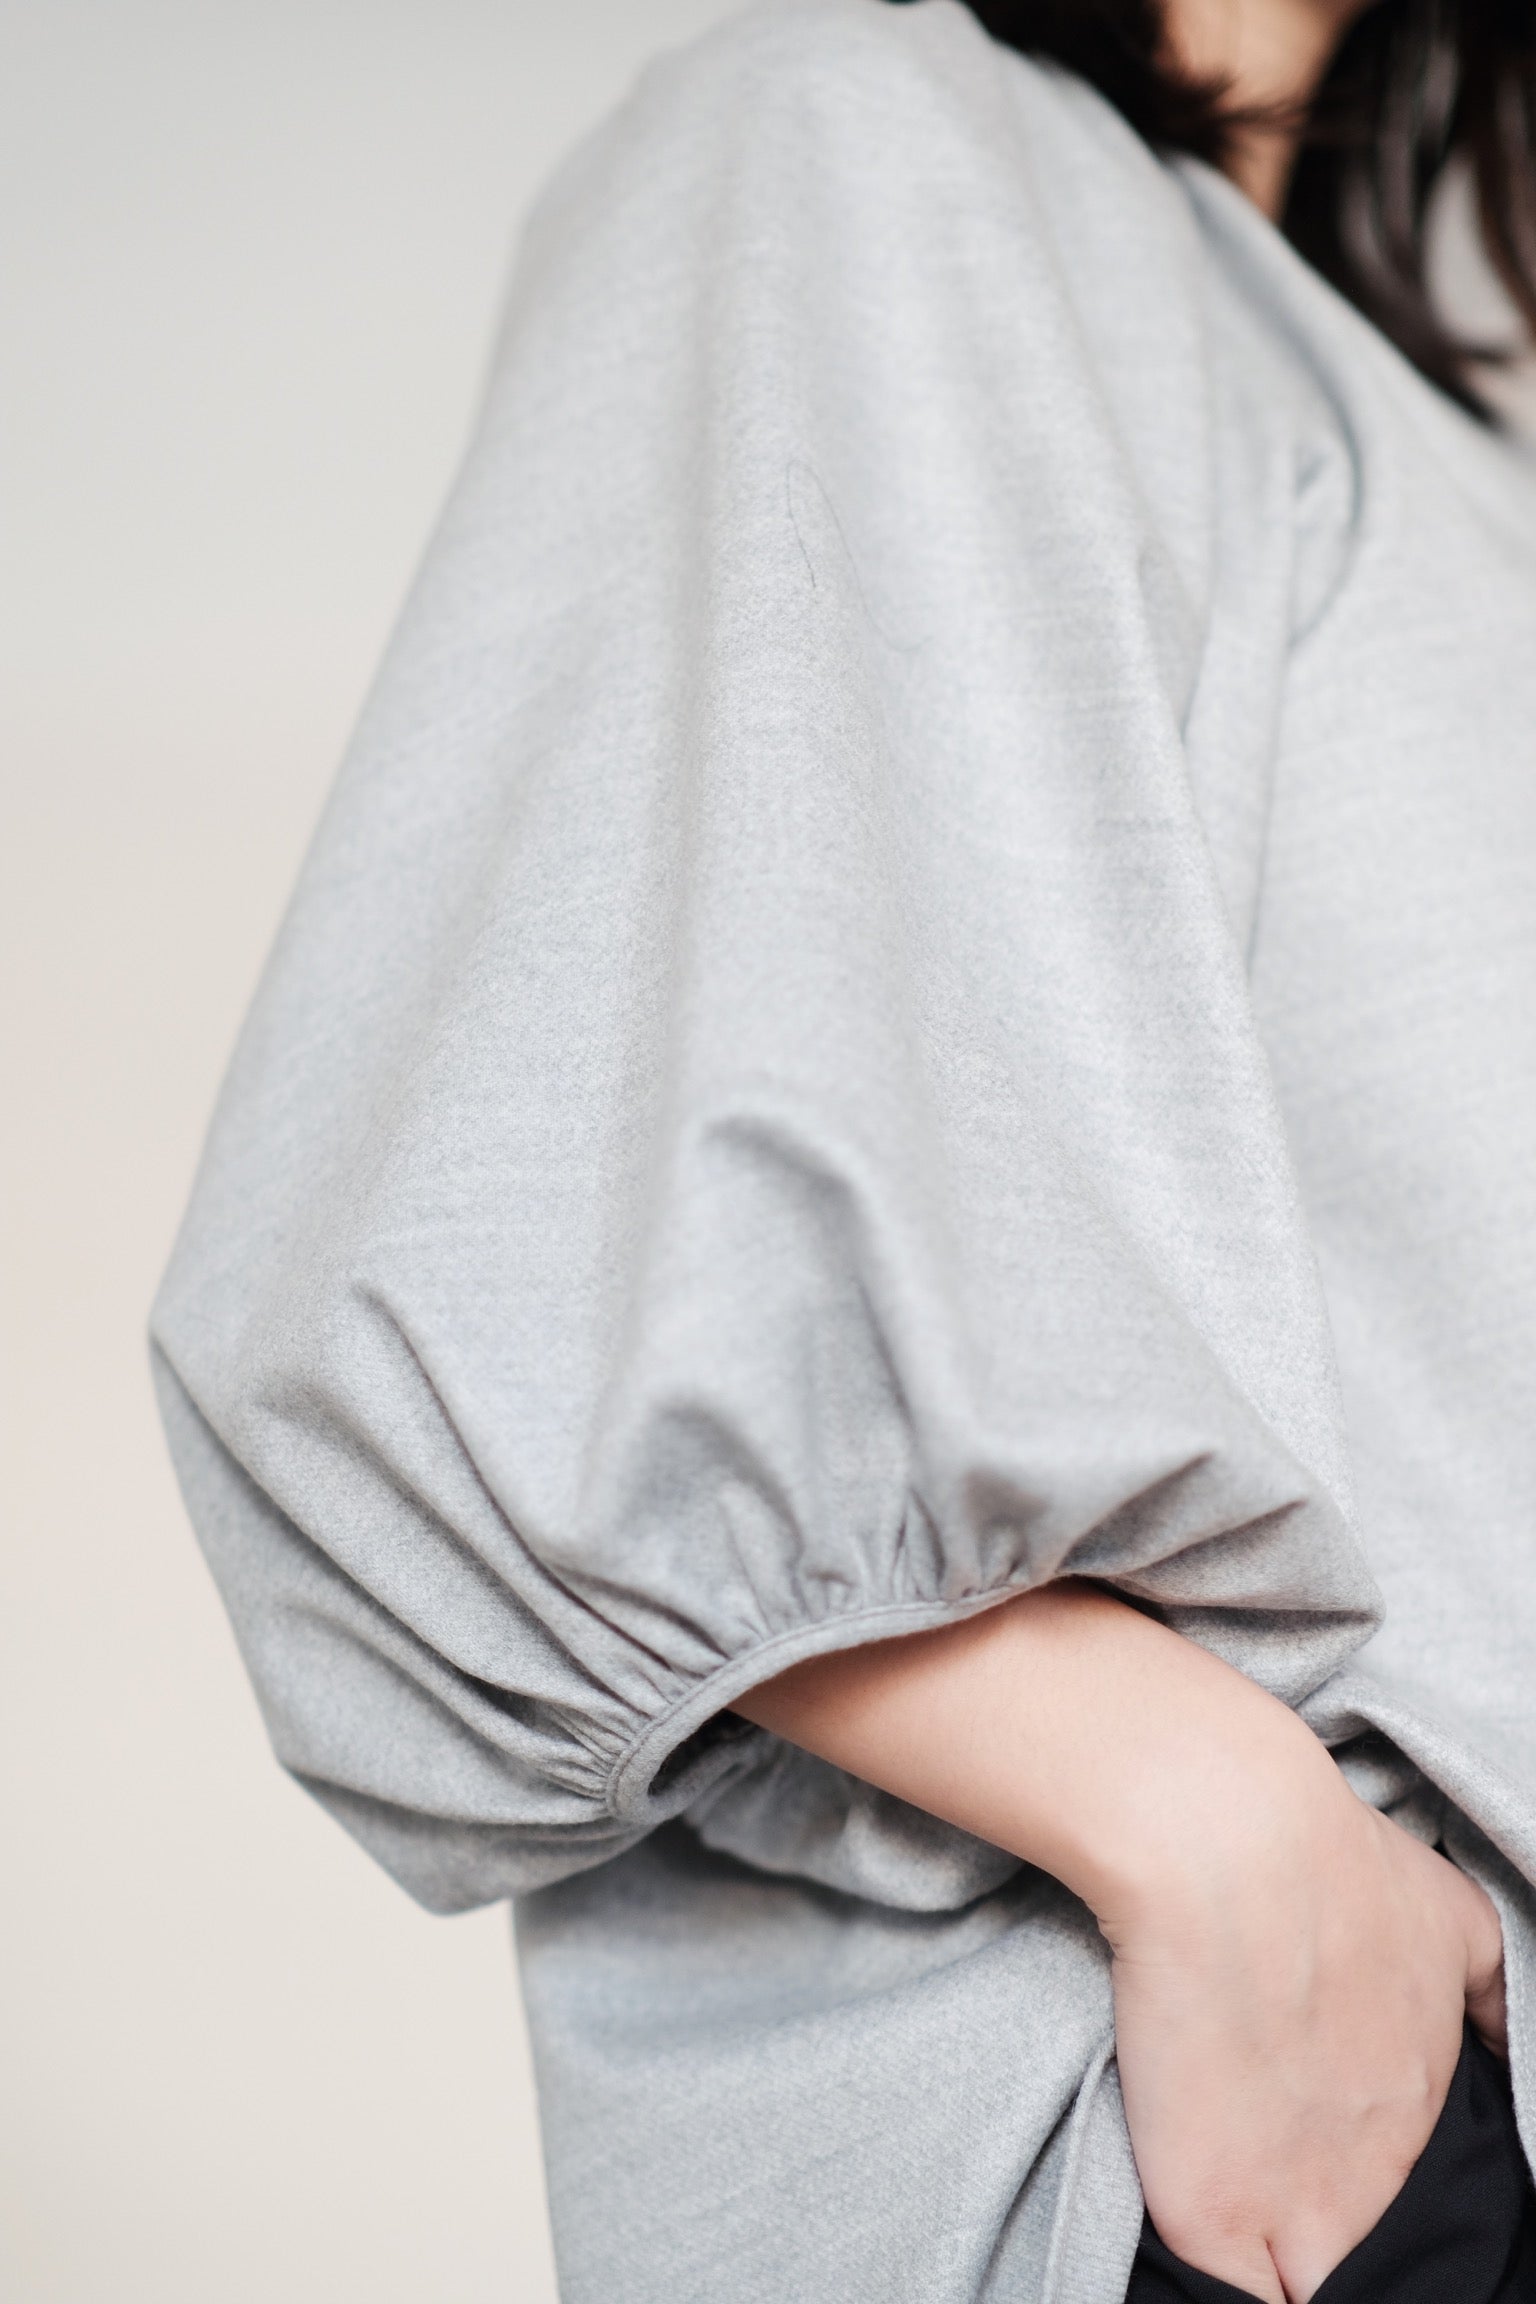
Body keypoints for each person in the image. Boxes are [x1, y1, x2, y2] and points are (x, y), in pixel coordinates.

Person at [150, 1, 1536, 2298]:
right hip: (1226, 2124)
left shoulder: (1433, 430)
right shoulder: (870, 140)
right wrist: (1211, 1834)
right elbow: (514, 1248)